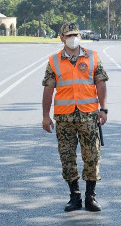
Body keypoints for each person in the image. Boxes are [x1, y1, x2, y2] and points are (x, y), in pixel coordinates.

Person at [42, 22, 109, 212]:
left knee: (92, 156)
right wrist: (45, 116)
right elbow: (48, 90)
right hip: (64, 119)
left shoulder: (92, 57)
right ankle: (75, 196)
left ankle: (90, 197)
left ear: (80, 36)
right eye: (68, 34)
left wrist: (103, 109)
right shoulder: (54, 61)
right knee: (67, 158)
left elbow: (101, 83)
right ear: (61, 38)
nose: (72, 38)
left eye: (75, 34)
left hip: (89, 116)